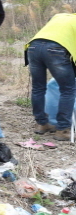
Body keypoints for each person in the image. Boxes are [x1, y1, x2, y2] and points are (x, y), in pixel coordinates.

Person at [25, 12, 76, 141]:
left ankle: (41, 124)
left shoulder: (60, 15)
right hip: (56, 49)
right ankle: (63, 129)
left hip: (33, 47)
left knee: (38, 88)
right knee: (68, 89)